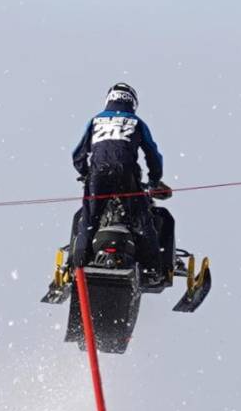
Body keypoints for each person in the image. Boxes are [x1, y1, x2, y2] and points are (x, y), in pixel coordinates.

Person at [71, 82, 169, 271]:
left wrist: (84, 173)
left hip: (98, 175)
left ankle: (77, 266)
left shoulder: (96, 121)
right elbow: (153, 155)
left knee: (89, 220)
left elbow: (78, 153)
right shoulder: (136, 122)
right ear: (132, 102)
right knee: (141, 221)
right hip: (127, 175)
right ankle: (154, 269)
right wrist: (154, 180)